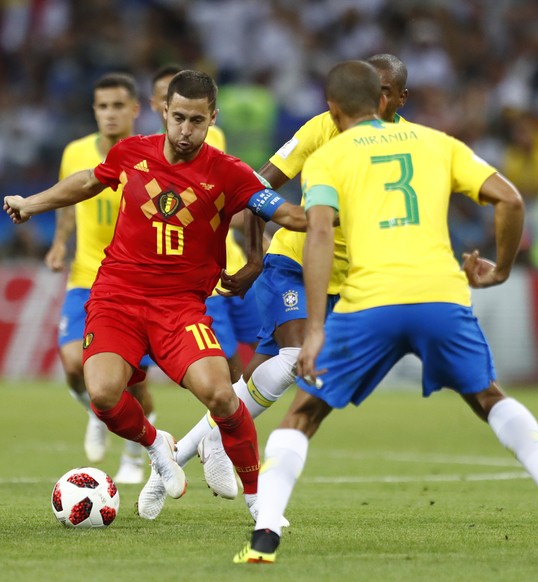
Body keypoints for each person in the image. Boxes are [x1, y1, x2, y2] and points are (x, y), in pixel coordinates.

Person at [233, 60, 538, 564]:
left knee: (304, 413)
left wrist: (314, 330)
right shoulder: (435, 142)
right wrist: (500, 269)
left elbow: (321, 236)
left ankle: (265, 537)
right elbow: (508, 199)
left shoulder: (329, 157)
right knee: (488, 396)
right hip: (441, 293)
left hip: (369, 300)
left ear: (333, 107)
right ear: (385, 99)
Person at [4, 70, 306, 513]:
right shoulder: (132, 153)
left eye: (197, 122)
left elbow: (282, 212)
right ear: (163, 111)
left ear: (212, 119)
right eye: (178, 118)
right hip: (116, 298)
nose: (185, 131)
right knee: (104, 395)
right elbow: (88, 181)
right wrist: (31, 203)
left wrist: (328, 219)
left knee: (222, 394)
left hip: (180, 308)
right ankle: (156, 446)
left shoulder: (229, 172)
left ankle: (260, 504)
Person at [136, 53, 409, 519]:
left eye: (384, 92)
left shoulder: (405, 144)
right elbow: (256, 187)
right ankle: (229, 461)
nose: (372, 100)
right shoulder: (320, 128)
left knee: (249, 387)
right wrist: (258, 259)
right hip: (293, 263)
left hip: (345, 279)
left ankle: (174, 460)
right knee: (296, 357)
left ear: (400, 99)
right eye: (367, 89)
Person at [44, 72, 156, 484]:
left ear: (134, 110)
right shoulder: (75, 152)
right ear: (94, 111)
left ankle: (133, 455)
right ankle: (96, 411)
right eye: (102, 106)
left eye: (117, 106)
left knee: (131, 382)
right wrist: (59, 243)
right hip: (86, 274)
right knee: (74, 363)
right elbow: (68, 201)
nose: (109, 114)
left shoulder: (150, 153)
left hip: (133, 282)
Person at [151, 63, 262, 383]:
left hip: (235, 268)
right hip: (200, 285)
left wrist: (263, 241)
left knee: (277, 347)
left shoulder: (216, 138)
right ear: (162, 107)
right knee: (225, 370)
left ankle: (239, 421)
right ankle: (228, 428)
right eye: (171, 103)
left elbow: (229, 203)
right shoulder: (148, 160)